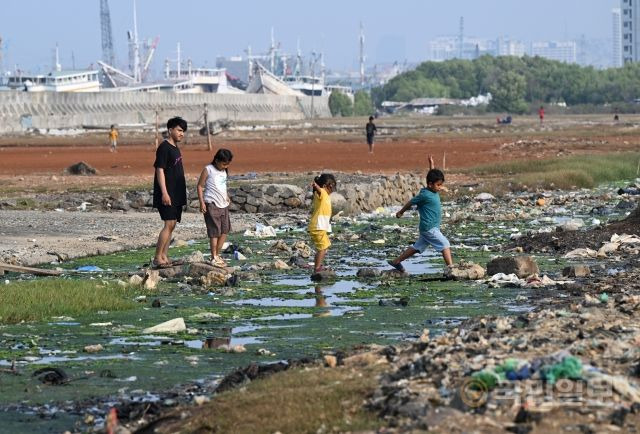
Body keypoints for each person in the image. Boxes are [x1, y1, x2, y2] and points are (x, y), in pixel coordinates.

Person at [388, 154, 453, 273]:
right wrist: (401, 212)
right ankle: (451, 268)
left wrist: (431, 164)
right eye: (438, 185)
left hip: (430, 227)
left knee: (417, 247)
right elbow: (410, 203)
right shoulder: (425, 194)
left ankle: (396, 261)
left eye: (441, 185)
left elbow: (431, 174)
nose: (440, 187)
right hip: (429, 228)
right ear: (430, 184)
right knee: (445, 243)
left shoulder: (432, 190)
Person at [152, 117, 188, 268]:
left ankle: (164, 256)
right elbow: (159, 170)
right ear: (170, 130)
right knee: (168, 224)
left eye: (183, 131)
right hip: (167, 193)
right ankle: (157, 258)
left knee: (172, 224)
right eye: (179, 130)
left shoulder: (175, 148)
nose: (182, 134)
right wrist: (164, 193)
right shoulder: (164, 148)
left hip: (176, 193)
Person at [197, 148, 233, 267]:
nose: (225, 166)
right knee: (214, 232)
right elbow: (200, 186)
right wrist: (202, 202)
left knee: (225, 230)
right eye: (223, 164)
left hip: (224, 204)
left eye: (227, 164)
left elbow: (223, 185)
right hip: (211, 204)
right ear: (217, 160)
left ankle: (217, 254)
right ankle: (213, 256)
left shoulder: (224, 171)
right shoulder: (208, 169)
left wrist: (226, 195)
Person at [308, 173, 337, 273]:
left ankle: (317, 266)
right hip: (318, 226)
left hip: (319, 226)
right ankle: (317, 268)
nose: (332, 189)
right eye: (331, 186)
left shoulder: (325, 195)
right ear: (325, 186)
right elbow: (319, 190)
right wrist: (316, 185)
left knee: (323, 247)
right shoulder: (322, 192)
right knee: (323, 247)